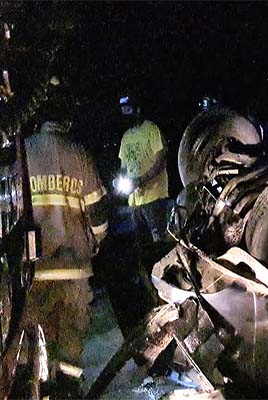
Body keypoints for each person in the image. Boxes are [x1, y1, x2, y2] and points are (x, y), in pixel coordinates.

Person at [23, 79, 108, 397]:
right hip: (74, 271)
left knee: (37, 346)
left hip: (35, 272)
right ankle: (69, 391)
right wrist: (96, 242)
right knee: (71, 346)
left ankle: (41, 390)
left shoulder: (25, 153)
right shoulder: (79, 154)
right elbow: (98, 216)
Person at [117, 94, 169, 243]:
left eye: (128, 109)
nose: (125, 114)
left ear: (137, 110)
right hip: (134, 200)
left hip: (154, 197)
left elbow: (161, 161)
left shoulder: (151, 129)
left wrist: (140, 180)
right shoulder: (126, 137)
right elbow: (123, 166)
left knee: (158, 242)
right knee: (140, 245)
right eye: (123, 110)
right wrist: (120, 180)